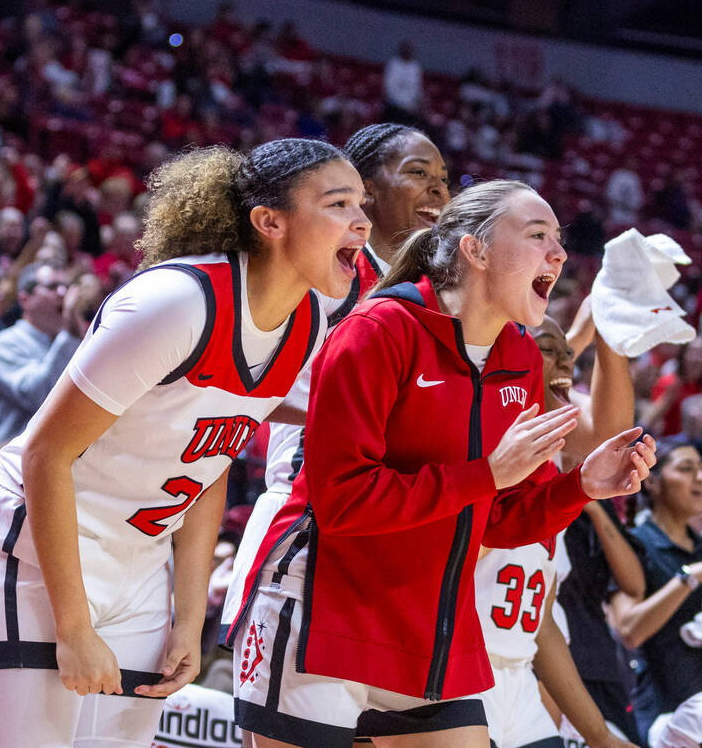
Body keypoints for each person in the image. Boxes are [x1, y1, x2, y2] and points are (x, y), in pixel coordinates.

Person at [0, 138, 371, 748]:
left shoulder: (305, 321)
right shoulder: (177, 301)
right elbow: (45, 454)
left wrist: (188, 615)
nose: (361, 221)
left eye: (362, 203)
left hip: (141, 565)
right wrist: (72, 626)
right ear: (270, 222)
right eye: (338, 203)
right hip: (36, 551)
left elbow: (211, 461)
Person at [232, 179, 657, 748]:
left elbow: (500, 520)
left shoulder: (521, 359)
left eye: (559, 241)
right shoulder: (379, 330)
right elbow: (342, 501)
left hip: (429, 621)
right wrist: (486, 475)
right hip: (323, 604)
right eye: (537, 236)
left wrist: (580, 486)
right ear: (475, 251)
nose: (558, 254)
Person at [220, 122, 450, 641]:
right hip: (308, 517)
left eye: (443, 178)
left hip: (390, 523)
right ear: (365, 190)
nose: (439, 188)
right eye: (418, 173)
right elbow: (240, 382)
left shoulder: (432, 295)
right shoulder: (324, 274)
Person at [474, 304, 642, 748]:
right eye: (550, 349)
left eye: (571, 351)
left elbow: (542, 622)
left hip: (520, 675)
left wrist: (600, 735)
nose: (568, 361)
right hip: (458, 674)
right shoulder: (478, 449)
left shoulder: (551, 469)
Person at [611, 439, 702, 746]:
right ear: (653, 482)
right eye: (687, 469)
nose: (700, 478)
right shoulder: (636, 544)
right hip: (664, 717)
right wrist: (690, 577)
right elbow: (629, 629)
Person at [0, 262, 88, 464]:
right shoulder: (3, 345)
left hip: (49, 463)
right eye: (52, 287)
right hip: (5, 467)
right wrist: (70, 333)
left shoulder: (66, 341)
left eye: (65, 286)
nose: (62, 293)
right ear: (25, 298)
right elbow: (40, 395)